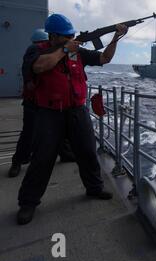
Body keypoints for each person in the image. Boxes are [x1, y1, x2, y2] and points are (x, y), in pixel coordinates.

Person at [16, 14, 128, 225]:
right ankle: (28, 203)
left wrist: (115, 37)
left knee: (87, 151)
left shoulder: (79, 53)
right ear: (54, 36)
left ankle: (94, 188)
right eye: (66, 36)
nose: (71, 38)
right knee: (42, 158)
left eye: (72, 35)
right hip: (49, 113)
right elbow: (39, 67)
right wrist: (66, 50)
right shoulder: (37, 50)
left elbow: (105, 59)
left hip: (77, 111)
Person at [8, 29, 77, 178]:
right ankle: (17, 162)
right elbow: (28, 68)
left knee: (60, 131)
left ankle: (65, 154)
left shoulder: (53, 51)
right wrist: (29, 82)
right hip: (34, 100)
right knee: (29, 132)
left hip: (50, 100)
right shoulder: (35, 50)